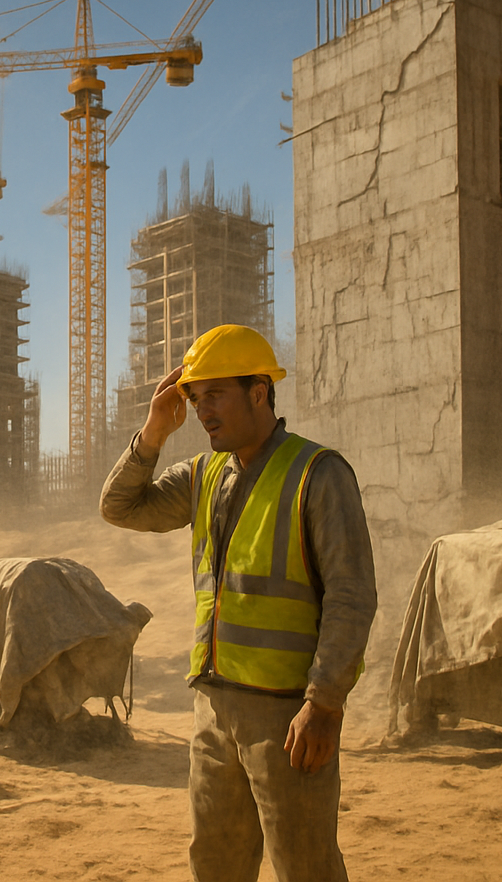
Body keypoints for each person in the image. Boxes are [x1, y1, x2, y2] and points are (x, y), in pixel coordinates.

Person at [100, 324, 377, 882]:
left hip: (288, 715)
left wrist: (324, 703)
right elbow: (120, 506)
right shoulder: (204, 476)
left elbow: (352, 596)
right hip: (213, 709)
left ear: (258, 391)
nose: (202, 411)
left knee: (307, 867)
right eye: (195, 399)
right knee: (215, 865)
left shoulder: (317, 474)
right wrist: (154, 430)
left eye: (214, 395)